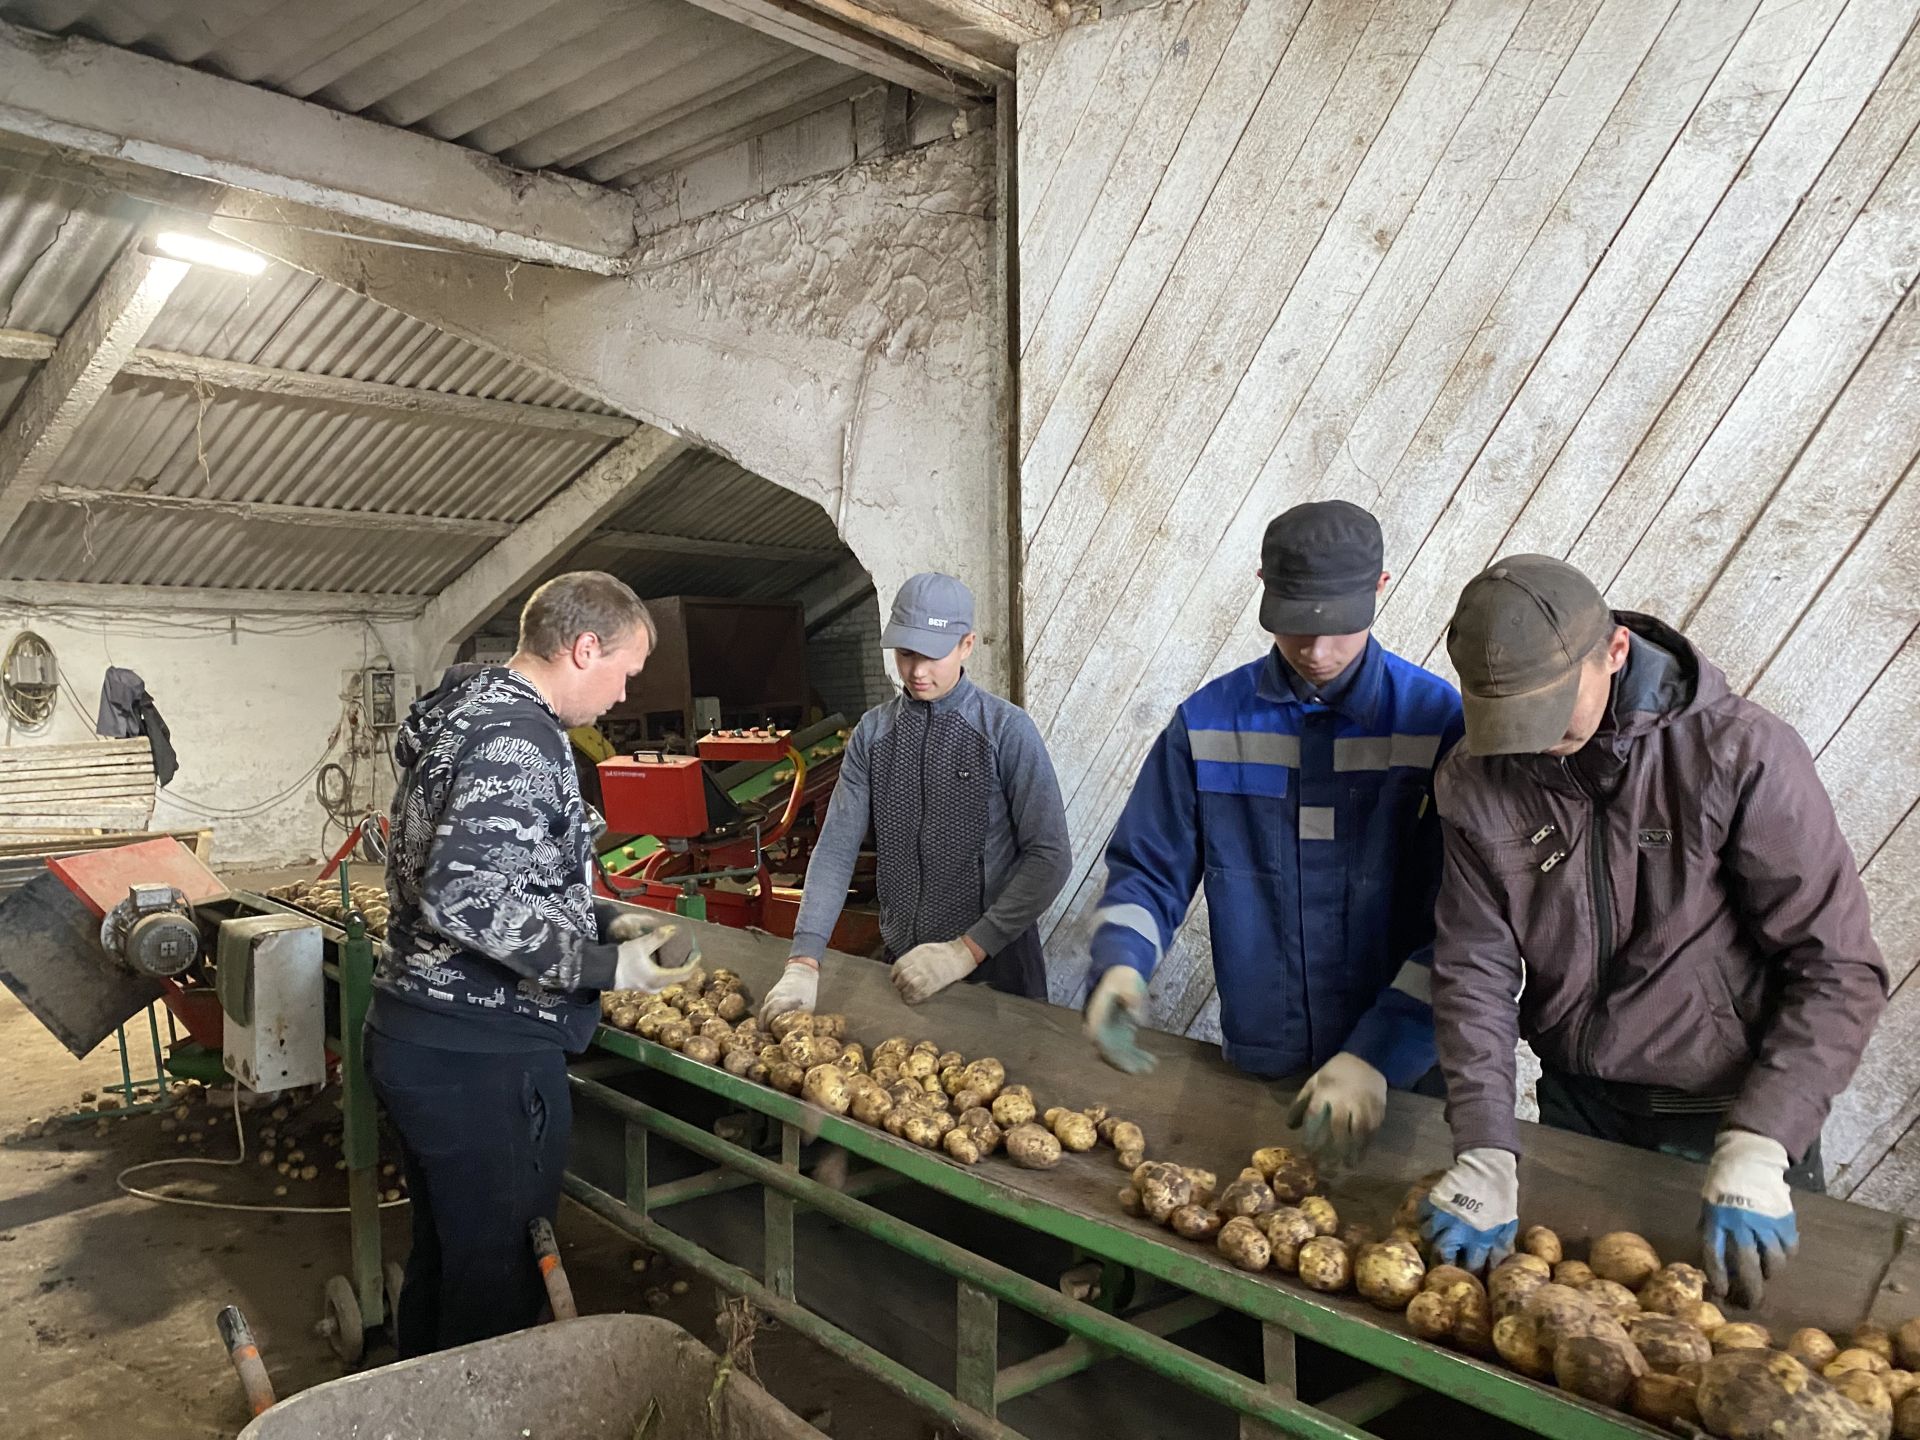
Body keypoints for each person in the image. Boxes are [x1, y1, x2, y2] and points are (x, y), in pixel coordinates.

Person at [1418, 554, 1887, 1306]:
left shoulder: (1738, 754)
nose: (1534, 745)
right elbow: (1473, 973)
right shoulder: (1477, 778)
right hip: (1581, 1110)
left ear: (1615, 652)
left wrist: (1764, 1140)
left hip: (1727, 1123)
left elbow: (1837, 967)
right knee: (1569, 1344)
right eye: (1508, 724)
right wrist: (1484, 1147)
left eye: (1548, 714)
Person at [367, 572, 697, 1356]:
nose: (623, 694)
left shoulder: (465, 712)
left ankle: (418, 1400)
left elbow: (508, 869)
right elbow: (465, 894)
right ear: (585, 648)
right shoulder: (520, 737)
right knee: (497, 1290)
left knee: (449, 1262)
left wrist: (607, 916)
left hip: (422, 1036)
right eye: (625, 671)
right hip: (479, 1056)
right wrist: (605, 969)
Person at [1080, 501, 1465, 1164]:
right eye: (1295, 626)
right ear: (1262, 585)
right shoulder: (1207, 726)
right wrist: (1119, 960)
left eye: (1338, 628)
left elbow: (1466, 921)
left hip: (1403, 1080)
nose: (1316, 650)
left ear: (1381, 587)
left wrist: (1380, 1053)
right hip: (1265, 1061)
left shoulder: (1437, 725)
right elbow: (1149, 869)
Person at [760, 572, 1071, 1019]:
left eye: (933, 655)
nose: (917, 671)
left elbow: (1049, 856)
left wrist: (966, 951)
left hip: (997, 975)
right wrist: (804, 961)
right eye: (906, 654)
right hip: (905, 969)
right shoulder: (874, 734)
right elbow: (834, 850)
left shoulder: (1005, 730)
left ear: (966, 645)